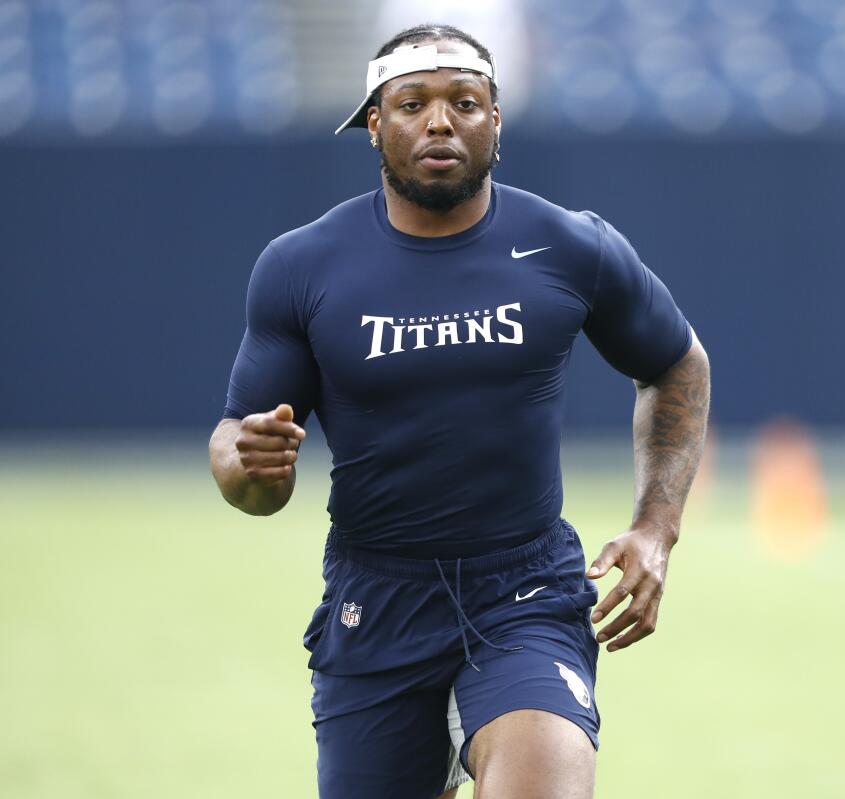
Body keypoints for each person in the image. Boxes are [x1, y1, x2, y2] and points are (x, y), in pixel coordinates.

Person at [208, 23, 710, 799]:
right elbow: (245, 463)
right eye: (412, 103)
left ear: (497, 123)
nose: (440, 121)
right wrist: (248, 465)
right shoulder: (301, 266)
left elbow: (676, 363)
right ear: (375, 124)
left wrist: (657, 527)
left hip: (526, 590)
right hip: (376, 601)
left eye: (465, 102)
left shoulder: (569, 247)